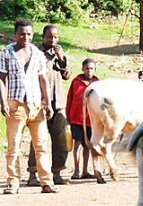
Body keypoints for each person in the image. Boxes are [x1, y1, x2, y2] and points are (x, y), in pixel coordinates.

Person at [0, 18, 56, 194]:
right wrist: (2, 102)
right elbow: (1, 79)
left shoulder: (38, 54)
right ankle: (13, 182)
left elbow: (43, 79)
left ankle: (46, 182)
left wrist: (47, 102)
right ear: (15, 34)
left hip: (36, 105)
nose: (25, 37)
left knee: (42, 145)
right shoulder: (6, 53)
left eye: (29, 34)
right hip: (15, 106)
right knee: (13, 146)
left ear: (33, 35)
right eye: (22, 34)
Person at [26, 24, 71, 187]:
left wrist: (61, 58)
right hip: (39, 102)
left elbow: (67, 75)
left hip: (58, 102)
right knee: (38, 139)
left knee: (60, 139)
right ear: (43, 37)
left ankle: (57, 172)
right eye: (49, 37)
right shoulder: (35, 53)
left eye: (55, 37)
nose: (52, 40)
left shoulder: (58, 52)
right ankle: (33, 173)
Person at [65, 58, 99, 180]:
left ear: (95, 69)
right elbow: (69, 99)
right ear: (82, 69)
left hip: (91, 120)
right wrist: (68, 117)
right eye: (87, 68)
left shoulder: (97, 83)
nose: (89, 71)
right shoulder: (76, 82)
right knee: (77, 144)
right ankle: (76, 170)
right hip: (76, 118)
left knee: (87, 146)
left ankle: (85, 170)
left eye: (91, 68)